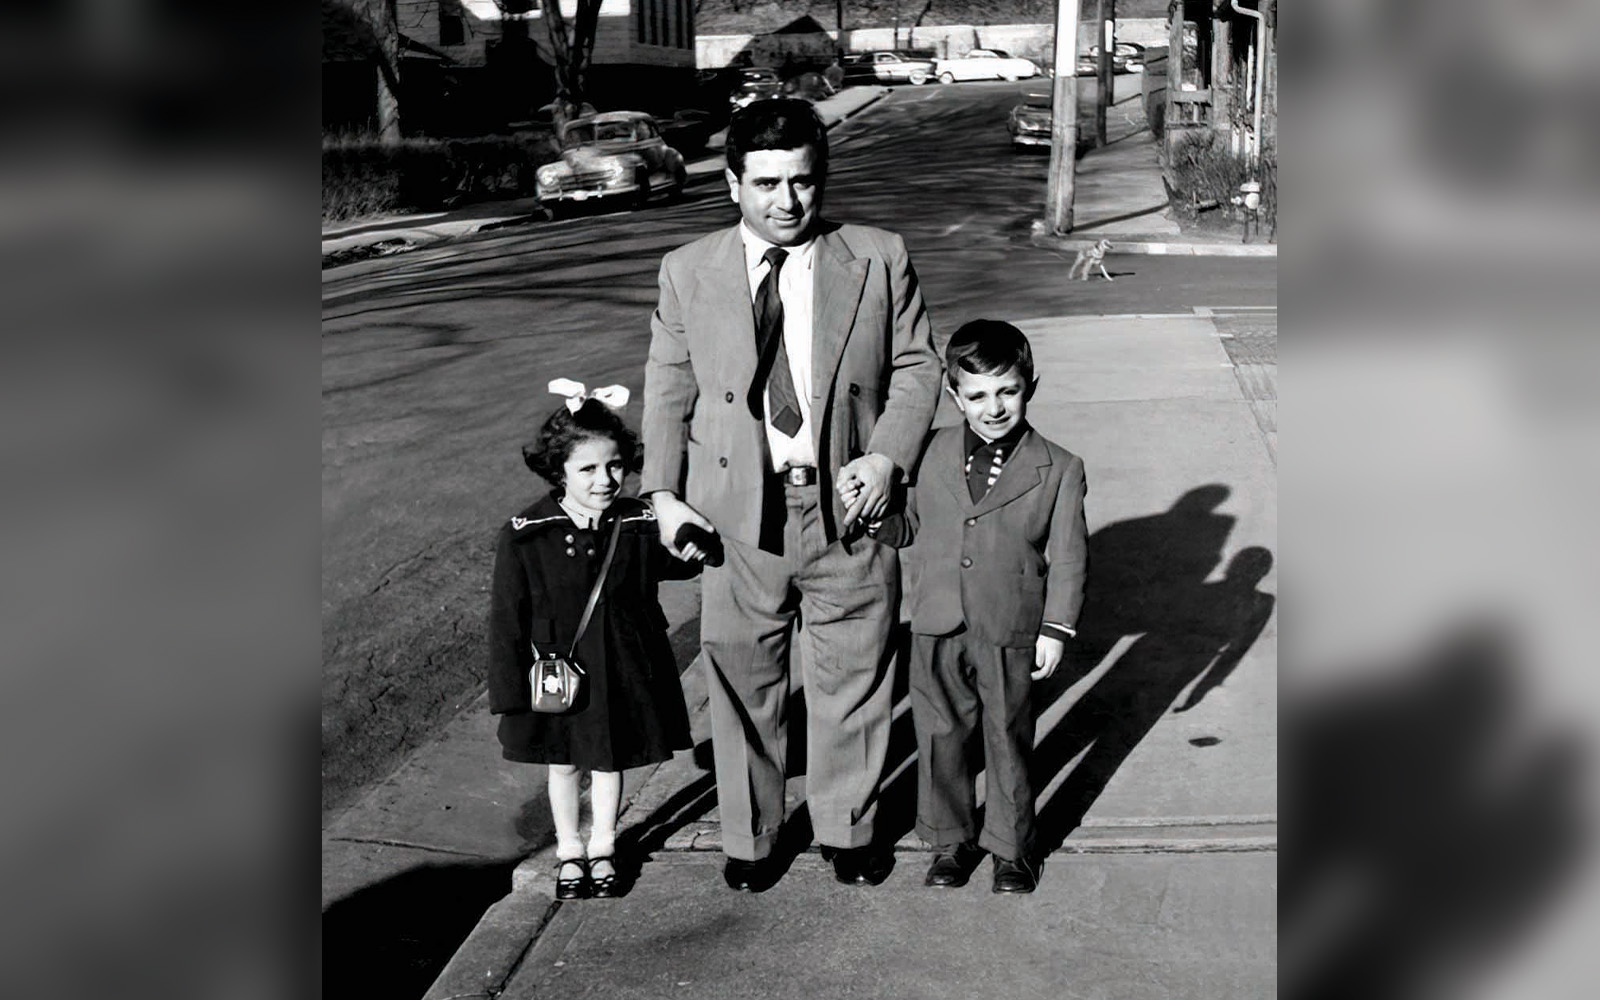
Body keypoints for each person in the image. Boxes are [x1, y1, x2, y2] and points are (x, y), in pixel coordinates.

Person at [640, 98, 941, 892]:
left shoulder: (876, 257)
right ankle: (751, 835)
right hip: (735, 517)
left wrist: (885, 460)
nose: (787, 201)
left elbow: (917, 367)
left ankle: (849, 827)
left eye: (803, 182)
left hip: (850, 507)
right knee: (741, 679)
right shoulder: (688, 270)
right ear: (731, 182)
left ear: (822, 178)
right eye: (766, 182)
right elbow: (669, 387)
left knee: (855, 673)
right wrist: (663, 495)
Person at [871, 320, 1088, 894]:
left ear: (1030, 386)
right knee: (940, 733)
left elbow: (1067, 556)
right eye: (977, 395)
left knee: (1007, 735)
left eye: (1007, 391)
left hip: (1008, 623)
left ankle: (1012, 848)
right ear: (953, 395)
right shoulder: (929, 451)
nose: (994, 407)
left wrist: (1055, 628)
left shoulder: (1059, 467)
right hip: (938, 619)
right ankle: (950, 841)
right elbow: (909, 526)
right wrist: (875, 514)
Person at [486, 381, 701, 901]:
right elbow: (507, 620)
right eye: (587, 469)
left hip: (623, 665)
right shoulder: (527, 533)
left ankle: (604, 846)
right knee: (563, 762)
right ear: (557, 471)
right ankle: (569, 852)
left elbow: (675, 559)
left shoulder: (639, 522)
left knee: (609, 759)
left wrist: (695, 544)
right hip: (559, 671)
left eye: (614, 466)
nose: (605, 479)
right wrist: (509, 692)